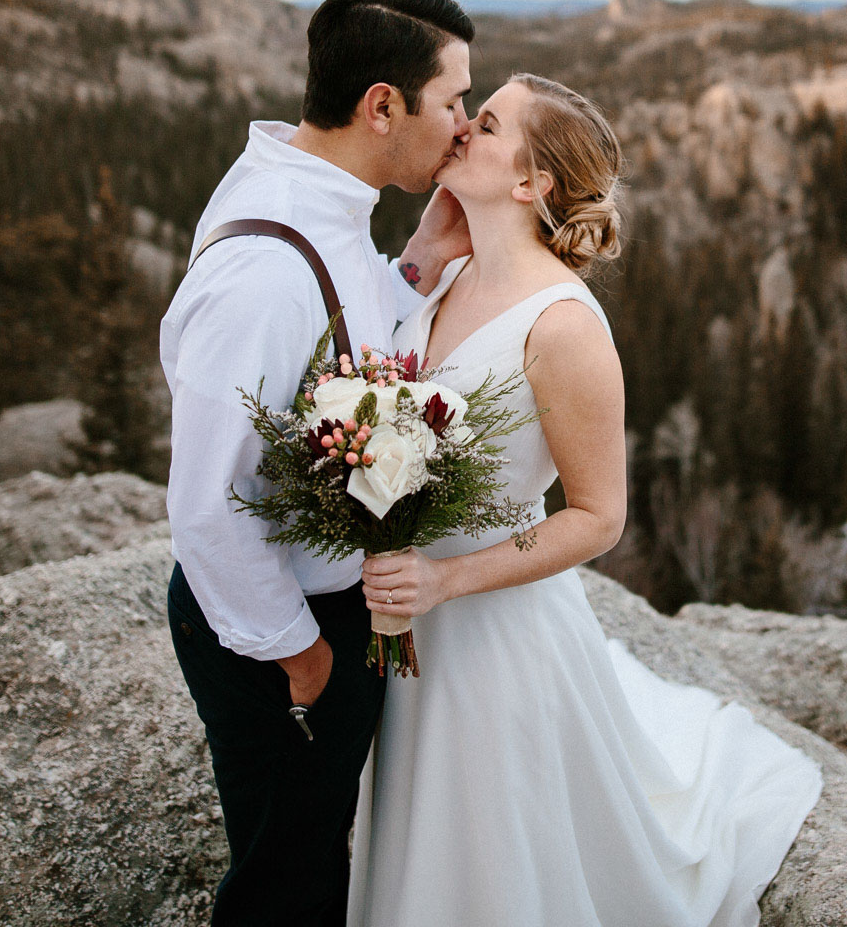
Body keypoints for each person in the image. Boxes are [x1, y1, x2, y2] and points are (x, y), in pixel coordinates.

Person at [349, 74, 823, 926]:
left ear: (532, 184)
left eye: (486, 124)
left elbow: (599, 518)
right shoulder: (445, 275)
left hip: (491, 639)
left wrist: (447, 583)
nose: (460, 128)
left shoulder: (563, 326)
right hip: (406, 611)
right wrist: (422, 254)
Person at [161, 0, 476, 926]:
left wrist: (416, 260)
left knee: (308, 854)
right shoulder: (260, 272)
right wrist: (303, 661)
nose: (464, 127)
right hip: (277, 628)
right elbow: (209, 503)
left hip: (318, 613)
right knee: (285, 882)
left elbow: (338, 324)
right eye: (455, 101)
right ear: (383, 105)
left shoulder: (318, 192)